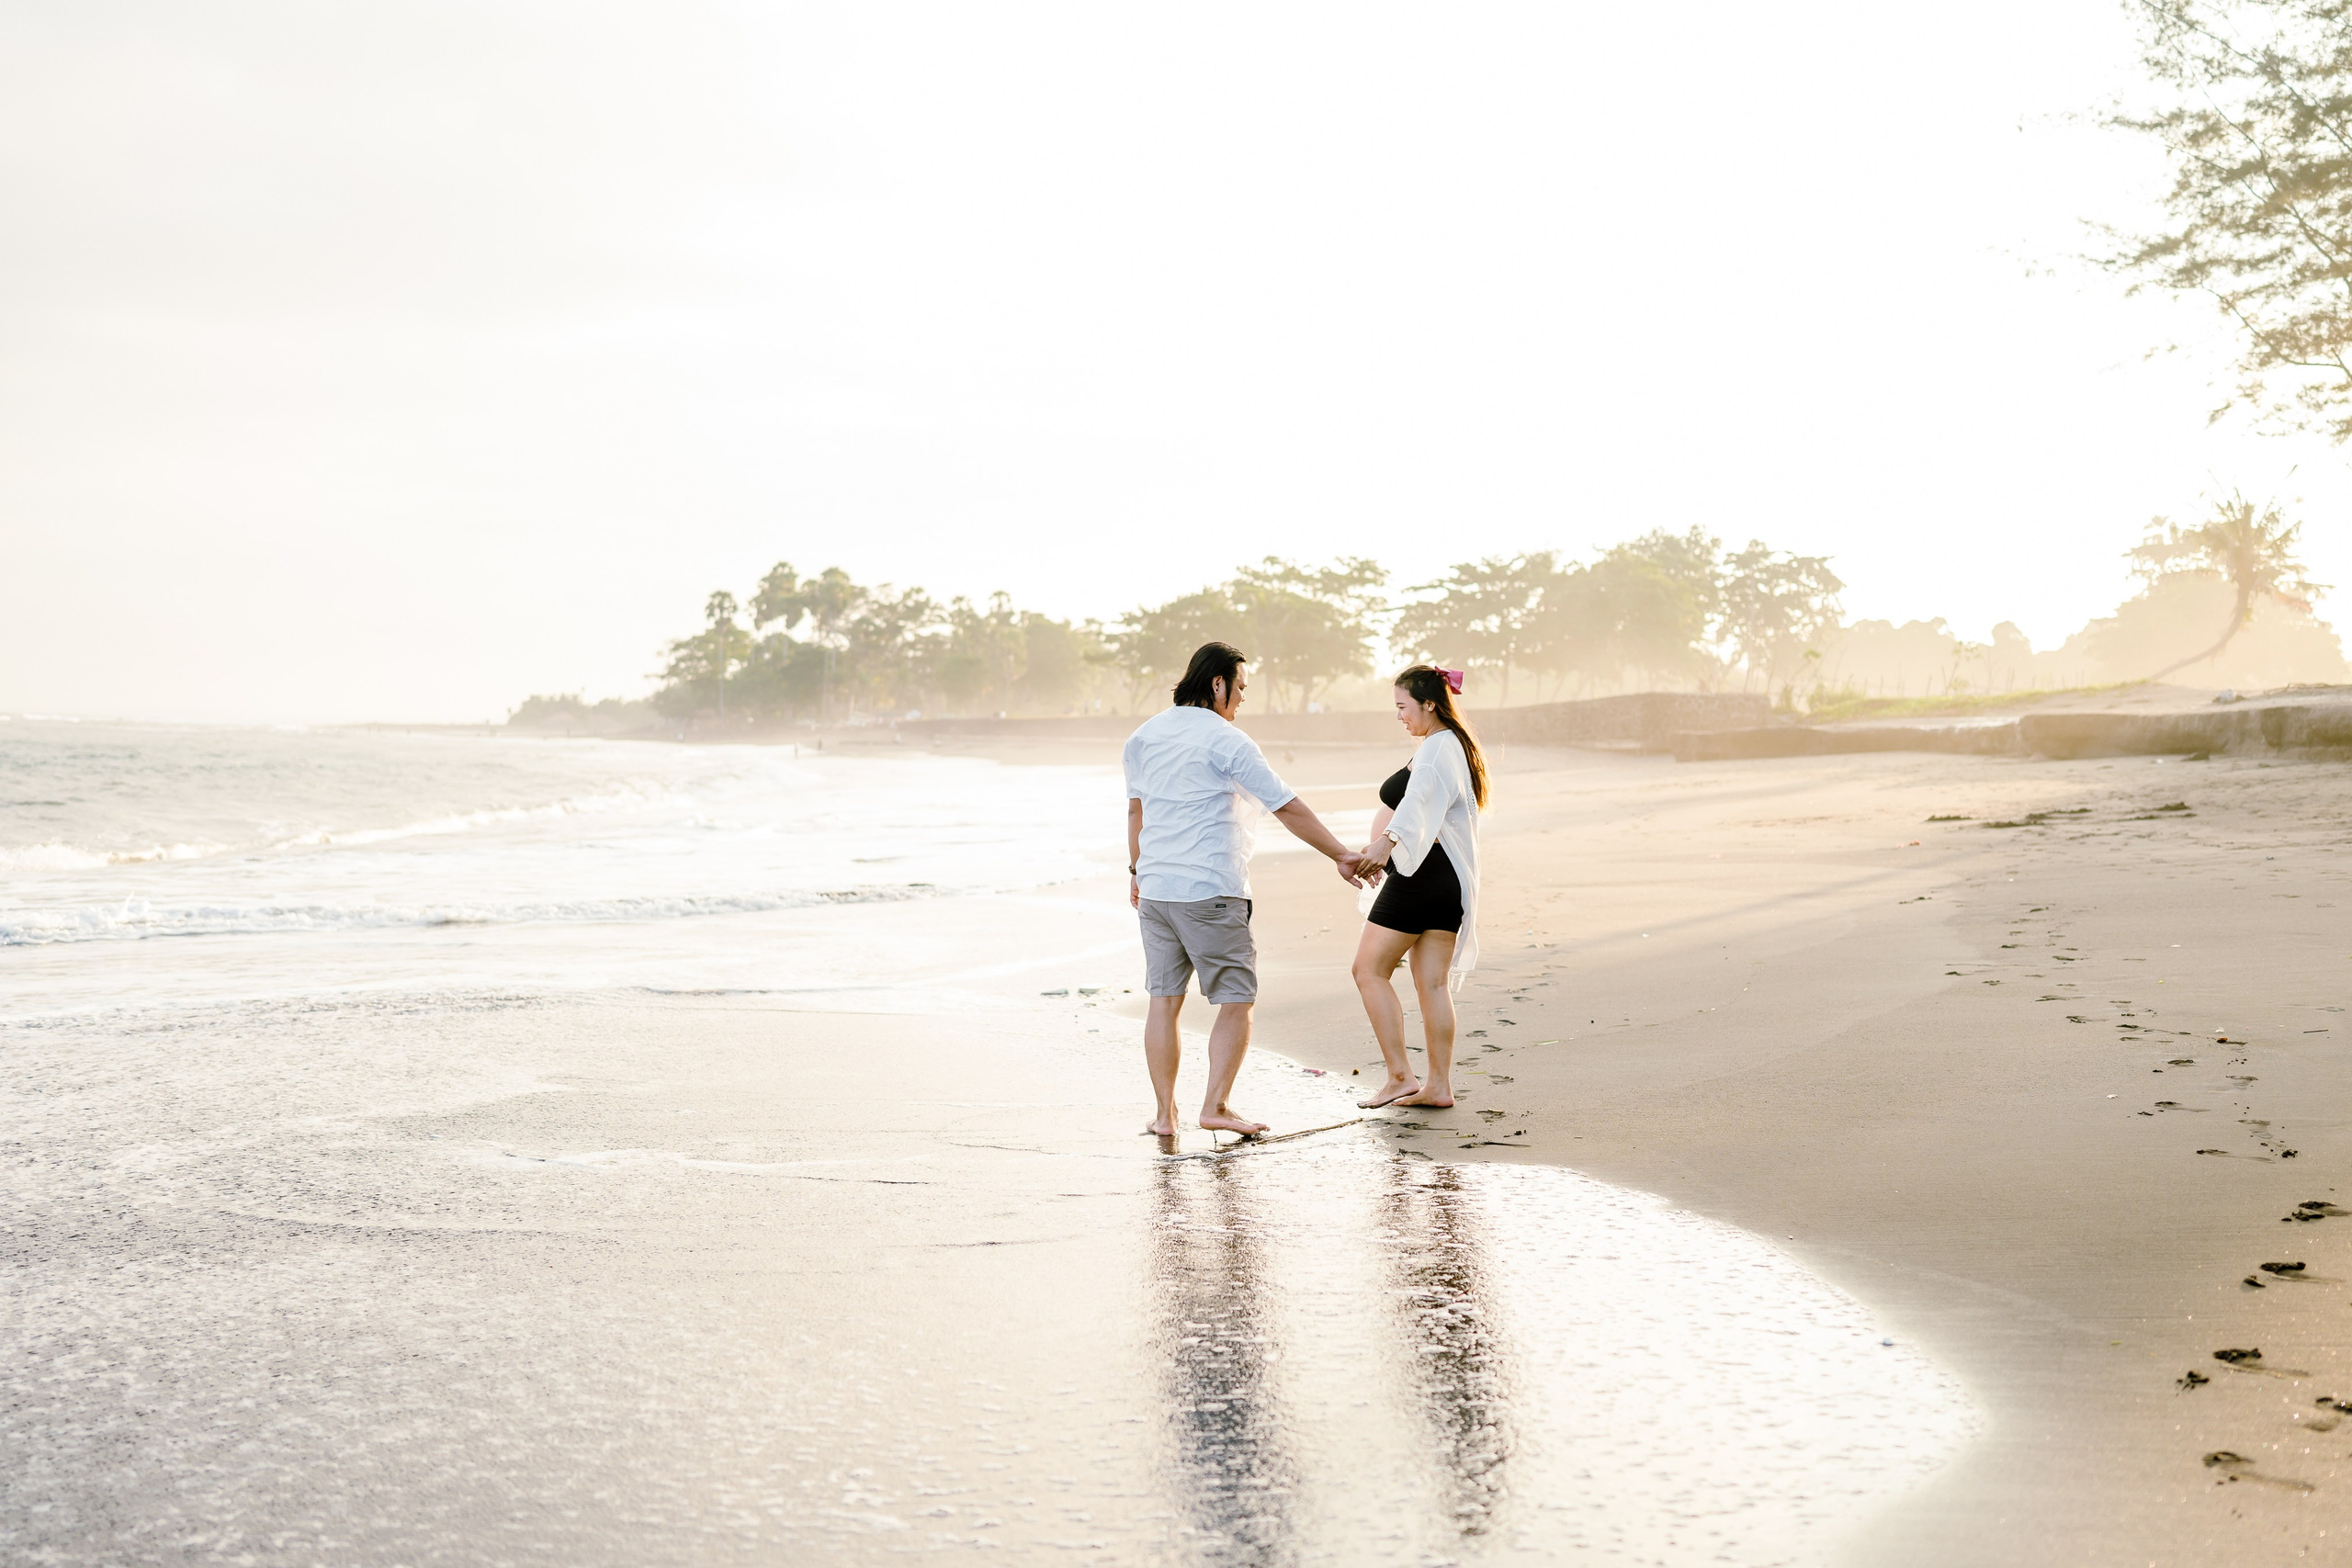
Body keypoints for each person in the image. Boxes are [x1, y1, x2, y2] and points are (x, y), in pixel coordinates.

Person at [1125, 641, 1374, 1137]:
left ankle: (1164, 1115)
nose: (1240, 701)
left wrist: (1136, 872)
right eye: (1239, 688)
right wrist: (1341, 854)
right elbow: (1286, 805)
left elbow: (1137, 811)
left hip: (1155, 890)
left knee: (1164, 1001)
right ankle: (1215, 1106)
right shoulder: (1228, 741)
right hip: (1209, 889)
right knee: (1237, 999)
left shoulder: (1143, 736)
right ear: (1216, 683)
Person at [1351, 664, 1487, 1111]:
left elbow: (1418, 803)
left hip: (1421, 876)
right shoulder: (1450, 745)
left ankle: (1398, 1076)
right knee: (1432, 984)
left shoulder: (1437, 749)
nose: (1399, 716)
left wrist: (1385, 846)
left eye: (1402, 706)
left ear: (1430, 703)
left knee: (1368, 970)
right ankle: (1438, 1087)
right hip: (1446, 882)